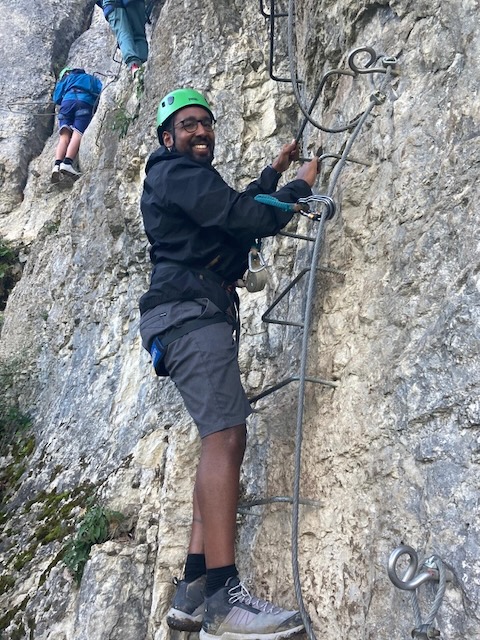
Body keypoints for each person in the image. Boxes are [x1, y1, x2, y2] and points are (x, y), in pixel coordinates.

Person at [139, 88, 319, 640]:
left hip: (186, 315)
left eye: (206, 124)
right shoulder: (174, 173)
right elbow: (243, 216)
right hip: (192, 314)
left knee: (218, 438)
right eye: (188, 125)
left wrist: (274, 173)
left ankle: (194, 588)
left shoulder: (182, 181)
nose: (201, 132)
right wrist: (299, 188)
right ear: (167, 137)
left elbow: (230, 214)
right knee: (225, 436)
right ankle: (224, 596)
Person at [51, 67, 102, 183]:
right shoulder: (91, 79)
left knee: (64, 136)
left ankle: (57, 165)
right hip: (83, 102)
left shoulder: (66, 79)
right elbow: (100, 92)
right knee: (77, 133)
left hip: (66, 104)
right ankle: (67, 163)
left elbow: (56, 98)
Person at [96, 0, 148, 76]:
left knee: (123, 33)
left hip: (111, 4)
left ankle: (134, 64)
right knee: (139, 35)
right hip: (133, 2)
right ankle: (144, 64)